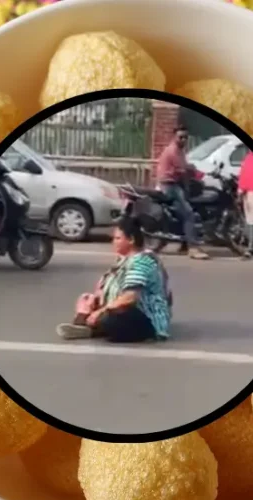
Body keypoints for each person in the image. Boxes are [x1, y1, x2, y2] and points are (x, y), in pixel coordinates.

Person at [56, 217, 172, 343]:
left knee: (113, 320)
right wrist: (94, 300)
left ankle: (92, 328)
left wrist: (101, 311)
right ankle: (83, 324)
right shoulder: (123, 260)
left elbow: (130, 297)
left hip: (146, 317)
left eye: (117, 238)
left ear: (131, 240)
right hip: (122, 308)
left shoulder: (142, 262)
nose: (113, 242)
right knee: (86, 300)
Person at [156, 126, 210, 260]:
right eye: (181, 137)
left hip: (174, 184)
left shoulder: (180, 150)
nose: (183, 139)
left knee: (185, 210)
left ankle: (184, 244)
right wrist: (196, 172)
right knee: (189, 214)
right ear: (174, 137)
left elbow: (185, 168)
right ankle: (193, 248)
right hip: (169, 186)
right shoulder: (173, 150)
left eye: (185, 137)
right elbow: (184, 168)